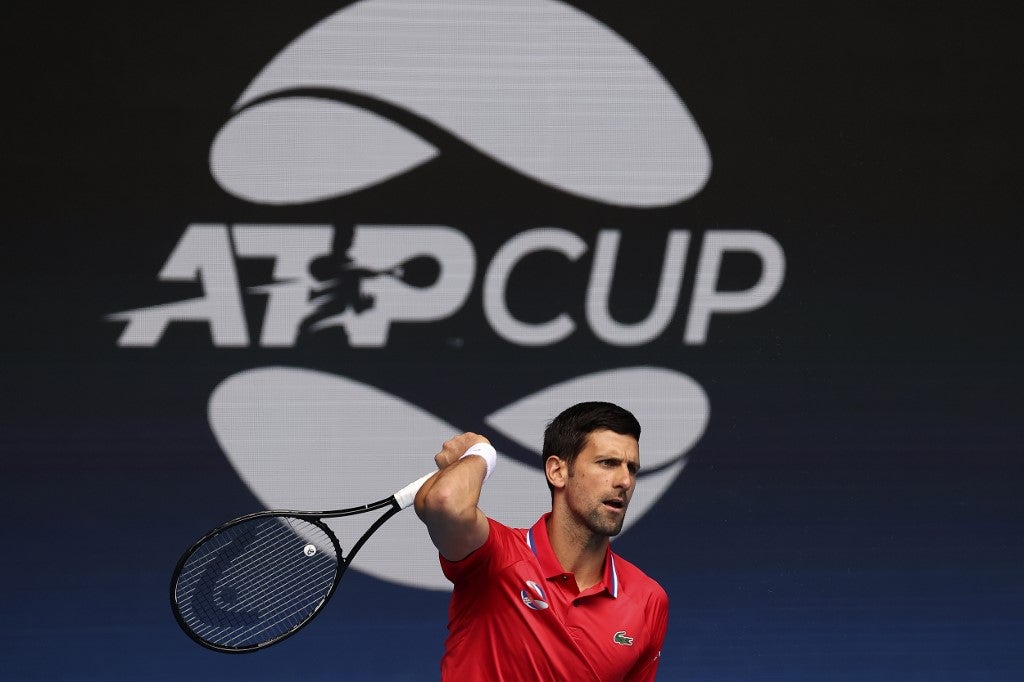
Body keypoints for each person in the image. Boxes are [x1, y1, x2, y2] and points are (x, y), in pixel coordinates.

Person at [414, 401, 669, 681]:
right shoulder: (496, 555)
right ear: (557, 471)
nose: (625, 481)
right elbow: (445, 502)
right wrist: (480, 452)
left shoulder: (648, 600)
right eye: (607, 463)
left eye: (632, 468)